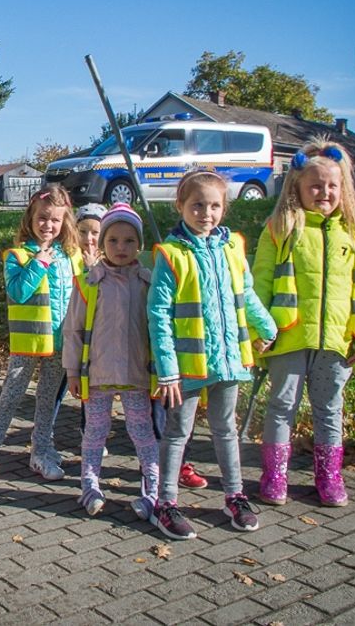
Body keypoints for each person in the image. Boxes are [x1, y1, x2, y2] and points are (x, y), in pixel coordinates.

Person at [253, 140, 355, 508]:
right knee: (281, 407)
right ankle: (274, 474)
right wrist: (257, 331)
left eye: (331, 186)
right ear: (296, 187)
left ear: (342, 187)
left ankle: (329, 475)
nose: (323, 192)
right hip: (289, 338)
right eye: (314, 185)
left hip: (337, 341)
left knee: (329, 409)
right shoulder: (281, 227)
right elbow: (260, 283)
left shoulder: (353, 232)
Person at [147, 170, 277, 540]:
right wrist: (168, 371)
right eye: (197, 205)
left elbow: (246, 294)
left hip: (228, 360)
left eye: (215, 205)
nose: (206, 212)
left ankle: (234, 496)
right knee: (177, 433)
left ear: (225, 207)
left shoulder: (233, 247)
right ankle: (165, 502)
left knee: (226, 430)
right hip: (186, 366)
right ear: (181, 207)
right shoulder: (171, 255)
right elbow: (158, 314)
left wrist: (266, 327)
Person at [0, 185, 84, 487]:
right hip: (28, 343)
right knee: (10, 397)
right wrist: (40, 262)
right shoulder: (17, 256)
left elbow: (84, 294)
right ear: (30, 218)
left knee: (47, 402)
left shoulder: (72, 256)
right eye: (42, 218)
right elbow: (18, 292)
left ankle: (41, 450)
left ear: (65, 223)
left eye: (55, 220)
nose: (48, 225)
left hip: (60, 343)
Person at [63, 205, 158, 518]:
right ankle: (89, 486)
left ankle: (154, 489)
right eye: (113, 240)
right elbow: (73, 331)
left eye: (129, 241)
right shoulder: (89, 284)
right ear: (101, 243)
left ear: (139, 245)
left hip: (137, 374)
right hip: (97, 374)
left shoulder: (148, 283)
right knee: (95, 432)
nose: (121, 247)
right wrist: (73, 371)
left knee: (143, 433)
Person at [76, 203, 107, 271]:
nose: (88, 238)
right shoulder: (70, 256)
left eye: (95, 232)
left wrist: (91, 267)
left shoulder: (109, 260)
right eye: (83, 231)